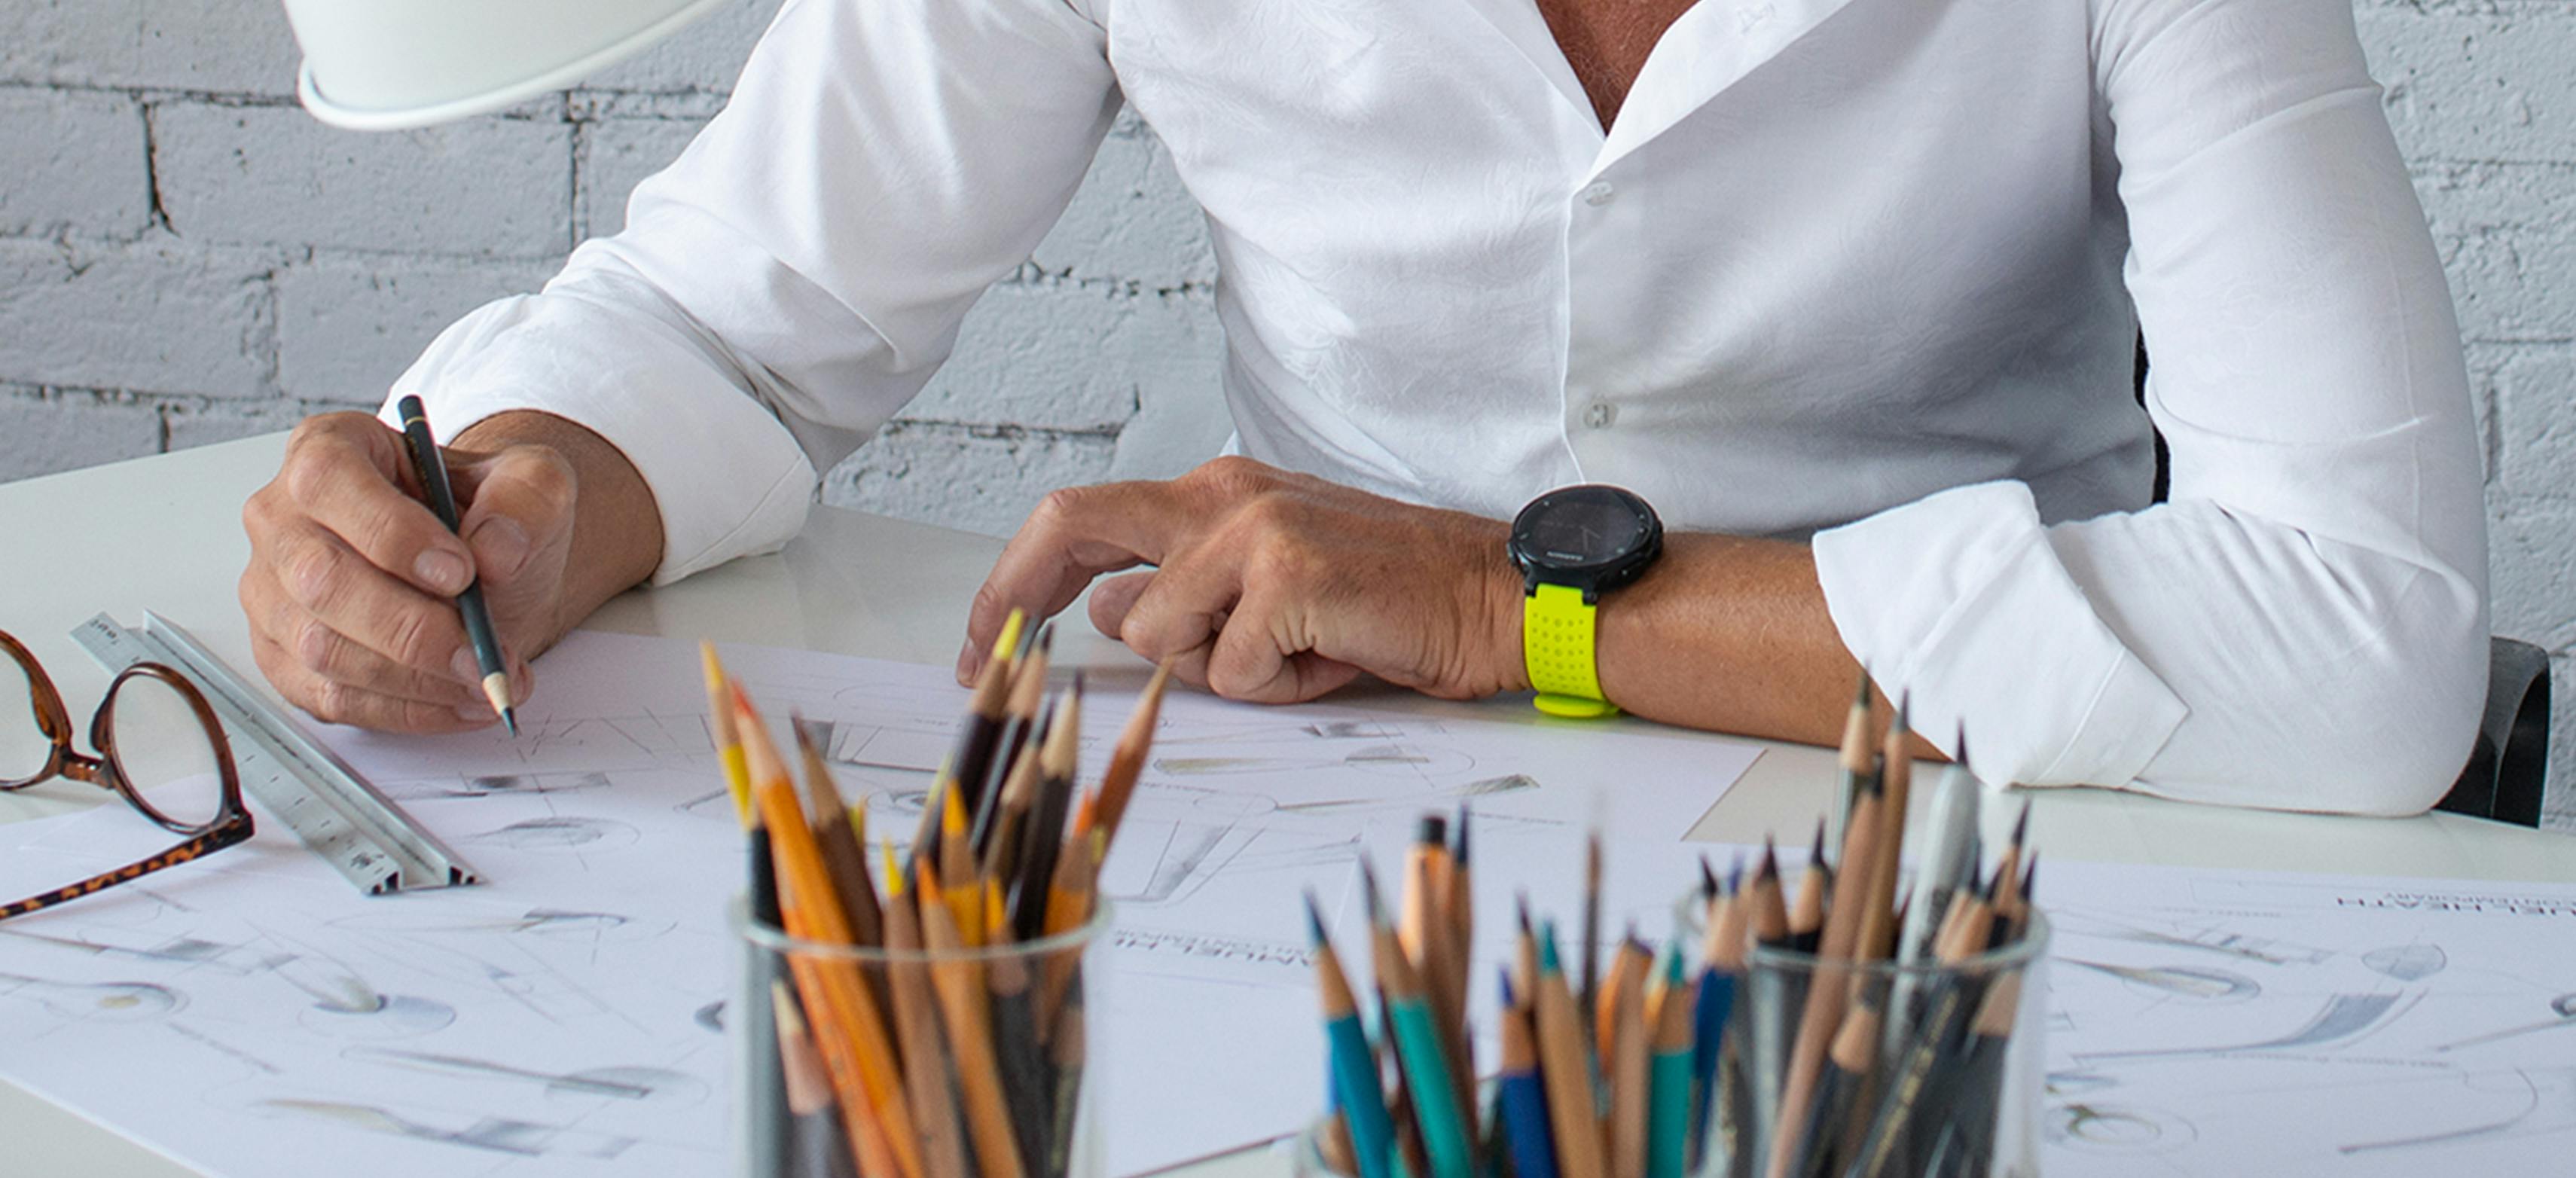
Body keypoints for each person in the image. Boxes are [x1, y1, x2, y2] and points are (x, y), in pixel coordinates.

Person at [236, 0, 2487, 816]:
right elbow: (735, 311)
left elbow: (2363, 631)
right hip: (1343, 872)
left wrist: (1515, 602)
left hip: (2002, 835)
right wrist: (515, 505)